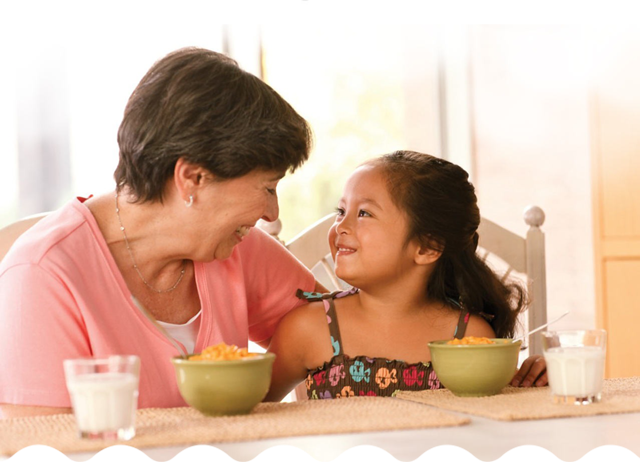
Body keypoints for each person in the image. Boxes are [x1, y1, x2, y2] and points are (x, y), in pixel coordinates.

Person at [0, 47, 324, 417]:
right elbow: (43, 443)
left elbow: (334, 325)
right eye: (267, 188)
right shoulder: (41, 276)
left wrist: (265, 398)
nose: (272, 213)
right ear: (193, 178)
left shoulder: (235, 248)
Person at [264, 150, 547, 401]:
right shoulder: (307, 329)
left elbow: (496, 419)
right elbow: (249, 418)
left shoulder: (468, 337)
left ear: (427, 247)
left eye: (364, 213)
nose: (341, 226)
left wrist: (532, 381)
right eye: (341, 210)